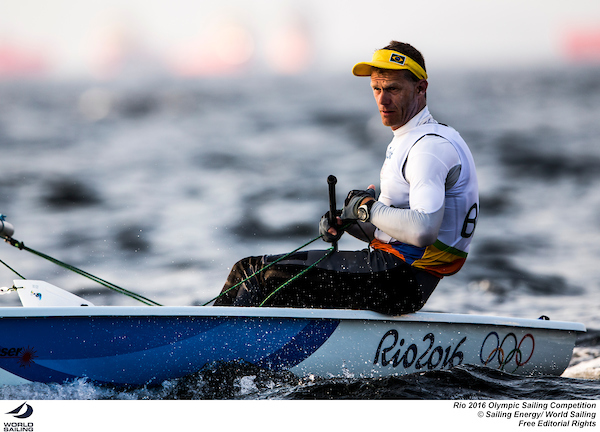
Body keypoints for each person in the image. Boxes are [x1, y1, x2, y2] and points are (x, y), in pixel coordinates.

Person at [213, 41, 479, 315]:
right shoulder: (419, 139)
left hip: (399, 278)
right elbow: (394, 231)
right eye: (376, 89)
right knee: (267, 284)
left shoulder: (428, 148)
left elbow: (423, 231)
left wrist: (367, 209)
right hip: (399, 276)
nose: (382, 100)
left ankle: (206, 349)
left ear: (420, 88)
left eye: (393, 89)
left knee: (252, 272)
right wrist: (349, 222)